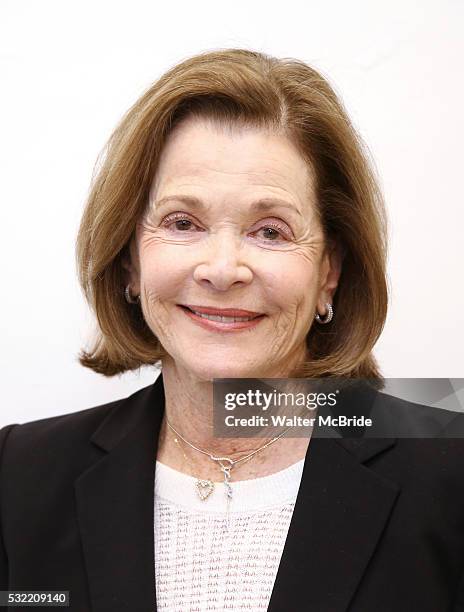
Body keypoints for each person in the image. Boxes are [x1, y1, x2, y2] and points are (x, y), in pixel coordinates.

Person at [0, 48, 463, 612]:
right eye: (182, 223)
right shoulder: (18, 474)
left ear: (329, 272)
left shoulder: (449, 467)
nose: (222, 269)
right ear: (130, 261)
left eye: (270, 231)